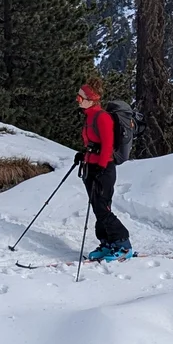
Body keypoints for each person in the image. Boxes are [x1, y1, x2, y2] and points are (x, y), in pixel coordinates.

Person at [76, 82, 132, 261]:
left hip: (104, 169)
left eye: (80, 97)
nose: (77, 100)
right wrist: (84, 155)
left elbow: (107, 145)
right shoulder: (89, 116)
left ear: (91, 99)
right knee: (97, 207)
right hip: (92, 166)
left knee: (103, 208)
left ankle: (123, 244)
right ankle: (107, 242)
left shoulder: (102, 117)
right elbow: (94, 144)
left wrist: (100, 167)